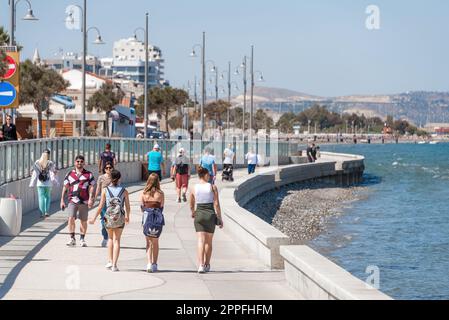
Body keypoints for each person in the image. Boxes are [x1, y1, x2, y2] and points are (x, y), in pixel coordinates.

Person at [90, 170, 130, 272]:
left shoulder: (105, 190)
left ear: (110, 178)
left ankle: (110, 261)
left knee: (111, 239)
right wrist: (128, 216)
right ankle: (115, 265)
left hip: (108, 217)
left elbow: (100, 206)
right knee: (117, 240)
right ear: (120, 178)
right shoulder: (124, 191)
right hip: (120, 217)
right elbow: (127, 206)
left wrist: (94, 218)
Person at [189, 167, 224, 273]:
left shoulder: (194, 188)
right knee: (208, 242)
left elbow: (191, 204)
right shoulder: (213, 187)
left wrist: (193, 212)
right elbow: (216, 204)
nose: (209, 176)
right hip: (210, 214)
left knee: (200, 240)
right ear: (204, 175)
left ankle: (200, 265)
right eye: (208, 175)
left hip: (199, 214)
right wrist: (220, 218)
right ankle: (207, 264)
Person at [60, 155, 96, 247]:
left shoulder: (89, 174)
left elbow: (92, 187)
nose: (79, 163)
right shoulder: (69, 174)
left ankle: (82, 239)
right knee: (71, 218)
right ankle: (72, 238)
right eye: (78, 161)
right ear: (75, 162)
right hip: (72, 199)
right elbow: (65, 187)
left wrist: (91, 198)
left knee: (83, 220)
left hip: (84, 200)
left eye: (81, 161)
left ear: (84, 163)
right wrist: (62, 200)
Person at [141, 173, 165, 273]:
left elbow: (142, 207)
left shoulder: (144, 193)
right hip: (157, 218)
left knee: (148, 242)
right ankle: (155, 264)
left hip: (147, 217)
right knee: (155, 242)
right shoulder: (161, 194)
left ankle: (149, 263)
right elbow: (162, 207)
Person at [29, 149, 59, 218]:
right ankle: (46, 212)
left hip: (40, 183)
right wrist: (56, 182)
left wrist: (32, 183)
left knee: (41, 198)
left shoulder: (37, 162)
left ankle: (41, 213)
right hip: (48, 183)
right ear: (49, 155)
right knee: (47, 197)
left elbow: (34, 173)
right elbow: (53, 172)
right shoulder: (50, 163)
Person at [94, 161, 114, 247]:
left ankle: (111, 238)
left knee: (112, 219)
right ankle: (105, 237)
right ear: (104, 169)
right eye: (106, 168)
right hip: (103, 200)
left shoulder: (115, 177)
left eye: (110, 168)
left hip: (113, 201)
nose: (108, 169)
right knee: (103, 219)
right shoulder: (101, 177)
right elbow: (98, 188)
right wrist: (94, 198)